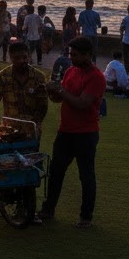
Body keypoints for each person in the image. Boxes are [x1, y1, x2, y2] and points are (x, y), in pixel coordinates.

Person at [39, 37, 106, 228]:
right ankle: (48, 209)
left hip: (86, 133)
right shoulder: (70, 71)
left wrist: (60, 90)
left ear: (88, 55)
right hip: (66, 131)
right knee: (56, 172)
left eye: (75, 55)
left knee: (86, 175)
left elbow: (82, 103)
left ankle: (86, 216)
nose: (72, 58)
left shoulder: (96, 77)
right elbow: (62, 99)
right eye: (71, 54)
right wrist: (52, 91)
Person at [0, 39, 49, 136]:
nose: (22, 61)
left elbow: (43, 106)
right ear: (11, 58)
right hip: (9, 130)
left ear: (29, 56)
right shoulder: (3, 76)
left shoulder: (38, 77)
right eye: (17, 58)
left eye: (24, 57)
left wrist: (34, 124)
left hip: (32, 130)